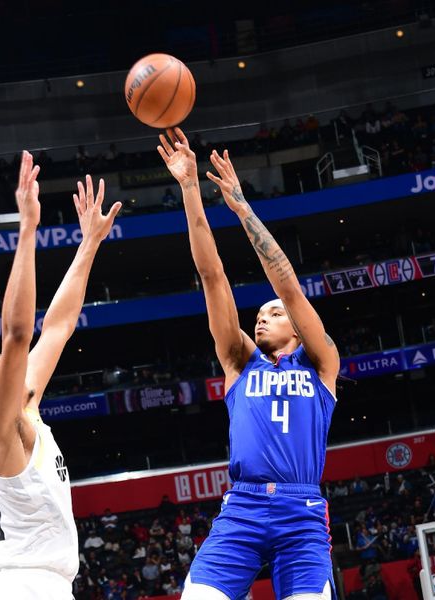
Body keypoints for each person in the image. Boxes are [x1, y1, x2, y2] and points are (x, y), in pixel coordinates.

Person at [157, 128, 340, 600]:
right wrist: (191, 190)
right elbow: (211, 274)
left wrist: (242, 208)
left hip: (302, 512)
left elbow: (290, 289)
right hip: (242, 508)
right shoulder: (241, 362)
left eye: (273, 314)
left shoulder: (321, 362)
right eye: (258, 315)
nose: (263, 318)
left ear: (298, 330)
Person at [0, 152, 121, 599]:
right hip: (24, 588)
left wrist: (89, 244)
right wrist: (27, 227)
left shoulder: (24, 407)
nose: (10, 358)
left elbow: (57, 326)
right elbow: (18, 333)